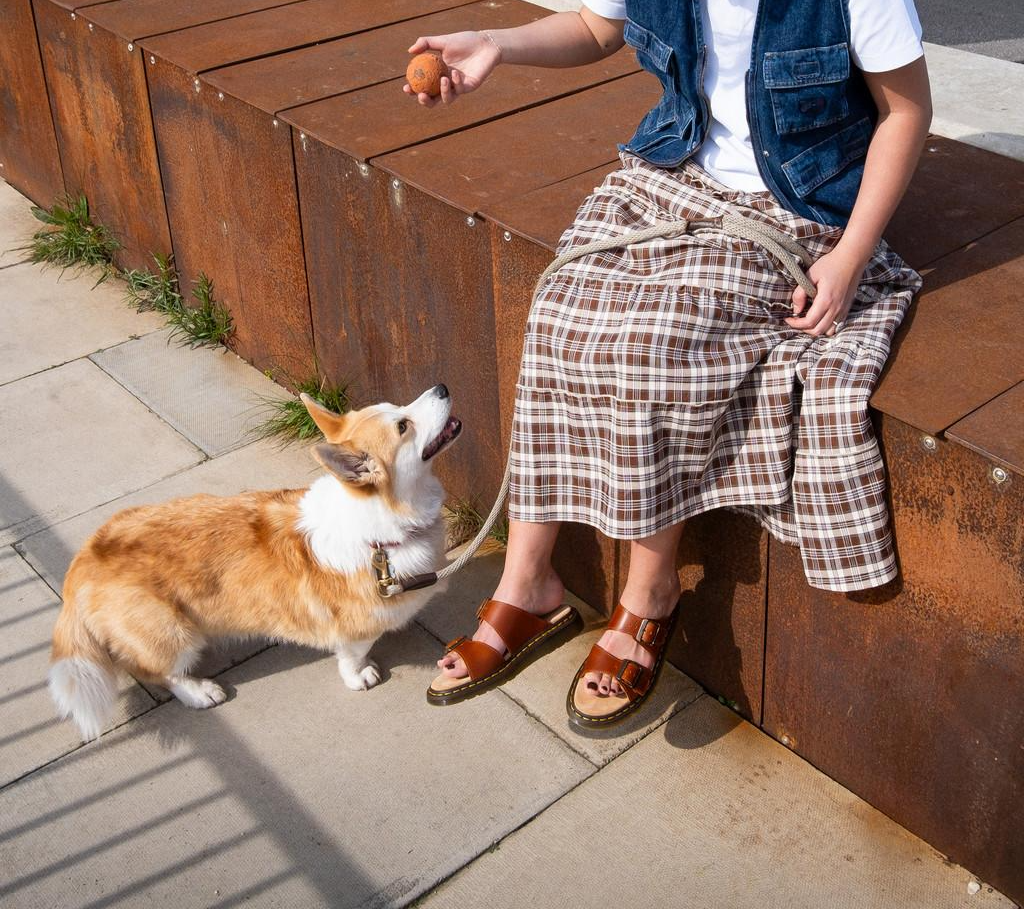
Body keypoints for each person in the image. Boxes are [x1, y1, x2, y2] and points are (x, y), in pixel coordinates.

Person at [405, 0, 931, 728]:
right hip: (670, 175)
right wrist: (495, 43)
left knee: (655, 340)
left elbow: (907, 111)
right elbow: (596, 27)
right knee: (559, 306)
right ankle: (529, 584)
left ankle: (650, 592)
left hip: (795, 206)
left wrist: (851, 257)